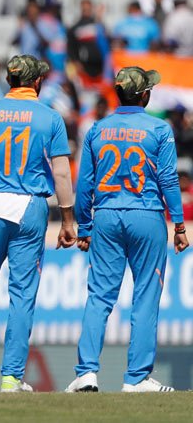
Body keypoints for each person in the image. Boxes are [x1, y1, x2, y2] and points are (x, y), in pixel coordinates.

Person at [67, 67, 189, 393]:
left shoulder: (97, 129)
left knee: (99, 297)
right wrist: (179, 224)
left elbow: (84, 183)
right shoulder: (159, 129)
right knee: (145, 297)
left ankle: (87, 373)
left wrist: (84, 225)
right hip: (147, 216)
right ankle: (136, 378)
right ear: (145, 95)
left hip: (106, 216)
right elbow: (168, 179)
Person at [0, 54, 77, 392]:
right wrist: (67, 219)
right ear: (37, 82)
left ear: (9, 79)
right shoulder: (50, 116)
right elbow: (61, 172)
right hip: (30, 206)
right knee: (22, 296)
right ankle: (11, 378)